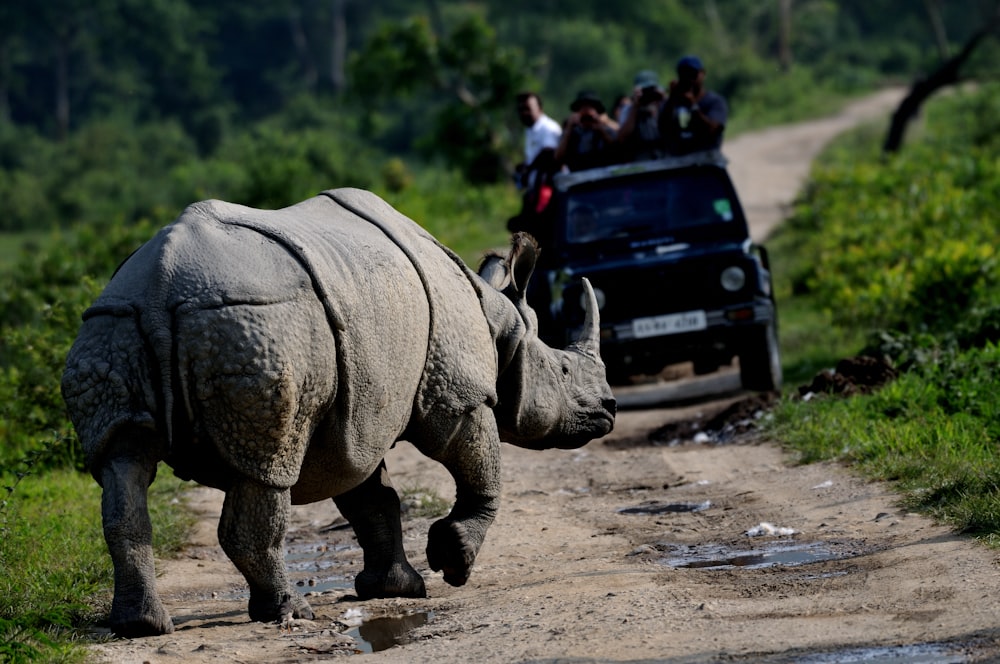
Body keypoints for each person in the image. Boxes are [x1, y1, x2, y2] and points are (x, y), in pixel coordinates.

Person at [659, 55, 728, 156]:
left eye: (692, 74)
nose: (688, 78)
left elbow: (713, 130)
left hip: (707, 160)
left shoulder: (714, 101)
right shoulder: (671, 103)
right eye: (683, 74)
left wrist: (693, 107)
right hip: (678, 162)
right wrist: (672, 99)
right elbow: (663, 129)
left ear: (703, 74)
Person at [554, 91, 619, 172]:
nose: (587, 111)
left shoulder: (606, 130)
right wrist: (569, 129)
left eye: (590, 107)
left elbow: (617, 152)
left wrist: (601, 130)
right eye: (583, 107)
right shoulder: (572, 133)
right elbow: (558, 157)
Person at [615, 69, 667, 162]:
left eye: (650, 90)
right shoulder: (628, 109)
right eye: (644, 91)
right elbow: (622, 138)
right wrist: (635, 107)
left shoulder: (663, 105)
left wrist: (662, 100)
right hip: (640, 161)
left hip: (665, 158)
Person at [515, 91, 562, 190]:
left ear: (540, 109)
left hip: (552, 188)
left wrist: (529, 168)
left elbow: (549, 153)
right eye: (521, 109)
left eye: (528, 109)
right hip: (537, 187)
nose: (524, 113)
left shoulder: (548, 127)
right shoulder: (530, 129)